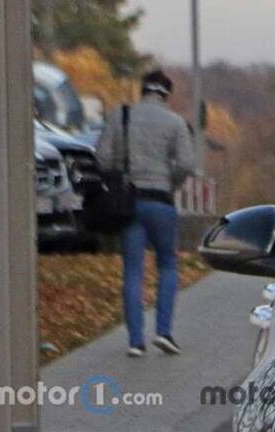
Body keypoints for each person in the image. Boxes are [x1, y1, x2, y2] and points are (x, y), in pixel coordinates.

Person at [95, 69, 198, 357]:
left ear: (142, 90)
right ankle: (163, 332)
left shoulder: (121, 116)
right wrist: (169, 181)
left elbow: (102, 157)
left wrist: (120, 172)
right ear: (166, 94)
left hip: (129, 203)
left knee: (133, 270)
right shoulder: (176, 122)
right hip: (161, 202)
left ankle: (135, 341)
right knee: (167, 265)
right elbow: (187, 164)